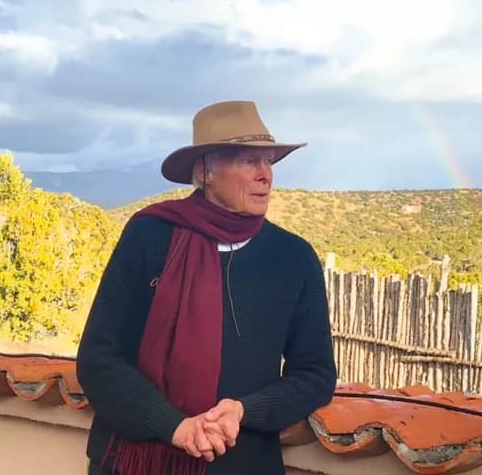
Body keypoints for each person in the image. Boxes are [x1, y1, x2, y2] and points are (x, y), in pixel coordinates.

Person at [76, 100, 338, 475]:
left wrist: (243, 410)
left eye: (269, 162)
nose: (266, 175)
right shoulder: (149, 238)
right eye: (249, 161)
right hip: (131, 462)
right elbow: (99, 359)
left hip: (240, 464)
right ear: (206, 170)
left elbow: (315, 375)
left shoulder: (293, 259)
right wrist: (174, 426)